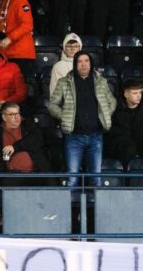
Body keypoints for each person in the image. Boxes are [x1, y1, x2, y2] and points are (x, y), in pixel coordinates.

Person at [49, 50, 116, 188]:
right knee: (72, 180)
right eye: (80, 62)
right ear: (75, 64)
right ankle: (72, 210)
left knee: (96, 180)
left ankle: (96, 210)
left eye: (86, 61)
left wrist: (104, 114)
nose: (83, 65)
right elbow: (52, 105)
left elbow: (112, 102)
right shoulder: (64, 82)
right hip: (74, 137)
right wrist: (64, 116)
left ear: (91, 64)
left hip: (96, 137)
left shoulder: (101, 82)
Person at [107, 80, 143, 166]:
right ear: (126, 94)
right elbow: (112, 129)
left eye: (140, 92)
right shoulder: (116, 108)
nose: (138, 96)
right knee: (127, 148)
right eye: (134, 93)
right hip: (122, 143)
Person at [0, 101, 52, 174]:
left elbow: (37, 139)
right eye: (12, 114)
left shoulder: (28, 124)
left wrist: (14, 147)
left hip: (36, 173)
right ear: (4, 117)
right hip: (11, 175)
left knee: (52, 182)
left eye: (18, 113)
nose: (17, 117)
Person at [49, 32, 81, 97]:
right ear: (64, 48)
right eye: (69, 46)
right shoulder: (58, 67)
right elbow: (55, 93)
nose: (72, 49)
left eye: (75, 46)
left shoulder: (87, 65)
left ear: (80, 48)